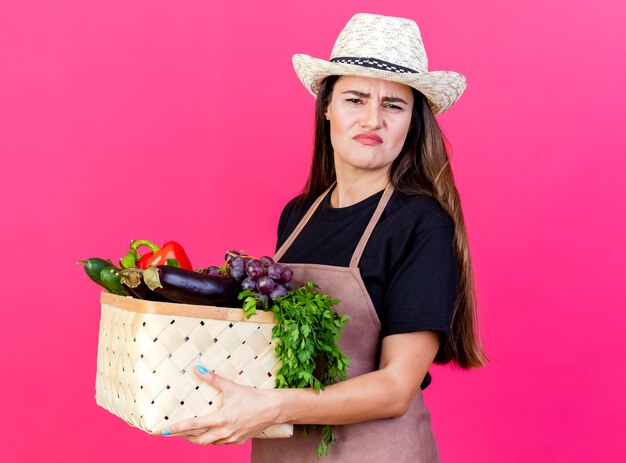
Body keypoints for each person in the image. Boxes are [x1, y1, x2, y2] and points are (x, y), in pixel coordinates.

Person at [162, 13, 487, 462]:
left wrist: (271, 406)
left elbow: (396, 388)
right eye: (355, 99)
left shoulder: (421, 223)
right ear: (327, 106)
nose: (372, 119)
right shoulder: (297, 215)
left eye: (394, 105)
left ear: (413, 121)